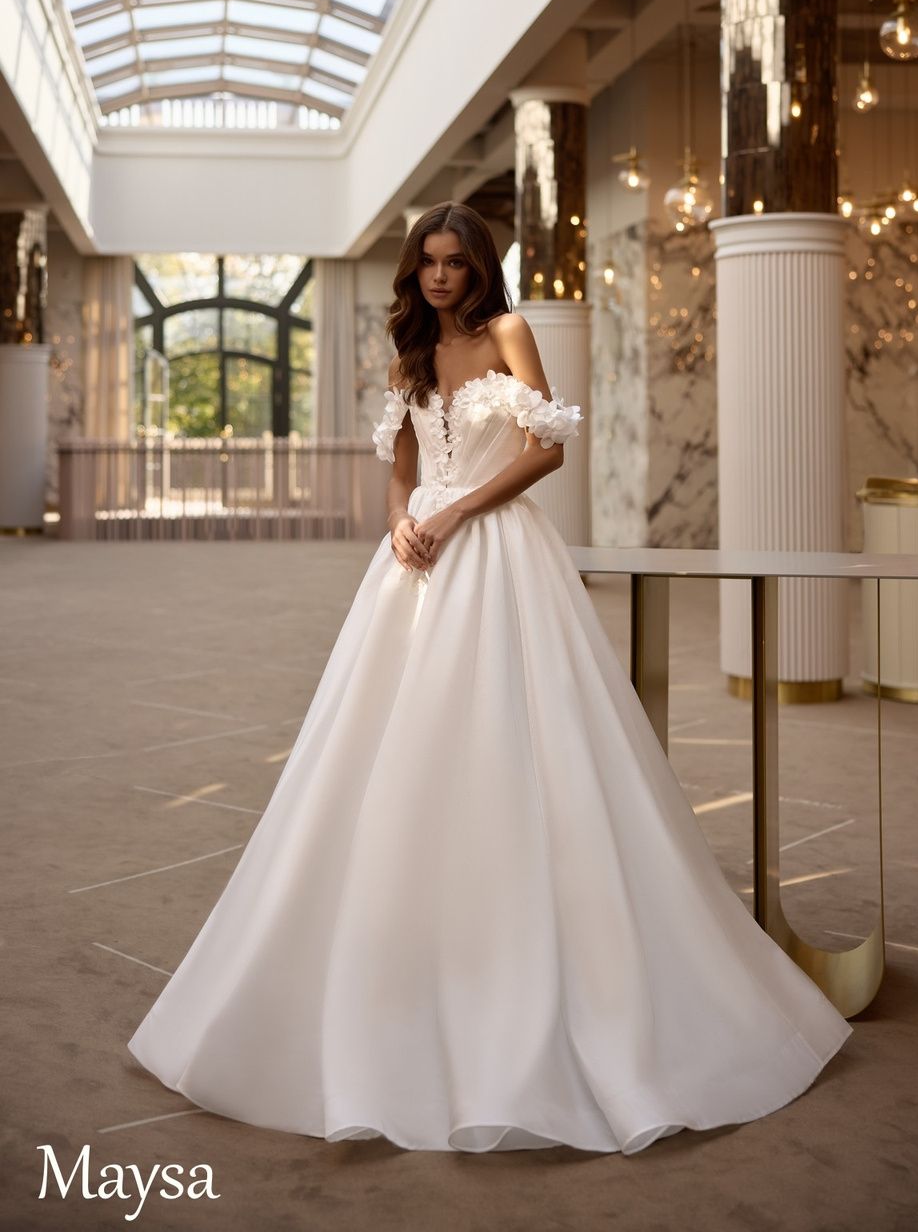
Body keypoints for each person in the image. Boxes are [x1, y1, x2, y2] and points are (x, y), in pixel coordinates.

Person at [127, 201, 852, 1155]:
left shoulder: (509, 332)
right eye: (425, 263)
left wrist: (458, 510)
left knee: (518, 739)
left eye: (454, 263)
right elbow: (397, 470)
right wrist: (401, 520)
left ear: (479, 268)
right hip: (414, 557)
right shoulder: (410, 357)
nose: (438, 278)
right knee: (380, 752)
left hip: (494, 549)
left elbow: (548, 446)